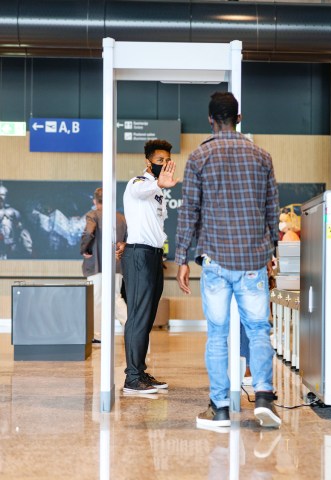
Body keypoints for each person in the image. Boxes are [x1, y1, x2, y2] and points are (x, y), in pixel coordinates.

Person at [175, 91, 281, 429]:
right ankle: (264, 396)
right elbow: (271, 212)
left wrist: (181, 258)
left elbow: (189, 213)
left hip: (216, 261)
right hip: (252, 260)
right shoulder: (261, 157)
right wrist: (271, 254)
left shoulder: (199, 157)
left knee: (218, 334)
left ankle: (219, 408)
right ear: (238, 118)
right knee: (259, 329)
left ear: (210, 119)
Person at [121, 139, 178, 395]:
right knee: (138, 317)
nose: (164, 165)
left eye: (167, 161)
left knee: (147, 318)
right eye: (159, 161)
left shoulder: (157, 192)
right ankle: (132, 378)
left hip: (154, 257)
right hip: (139, 255)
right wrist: (158, 182)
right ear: (148, 162)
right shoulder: (138, 183)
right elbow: (139, 192)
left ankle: (140, 372)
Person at [79, 187, 128, 344]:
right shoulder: (121, 218)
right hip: (117, 265)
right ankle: (131, 328)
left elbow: (88, 233)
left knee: (97, 300)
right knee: (116, 298)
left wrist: (84, 249)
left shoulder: (93, 215)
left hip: (96, 266)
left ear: (95, 201)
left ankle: (98, 335)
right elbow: (127, 240)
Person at [0, 183, 33, 259]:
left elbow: (22, 229)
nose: (0, 197)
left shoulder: (14, 212)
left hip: (12, 245)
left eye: (2, 195)